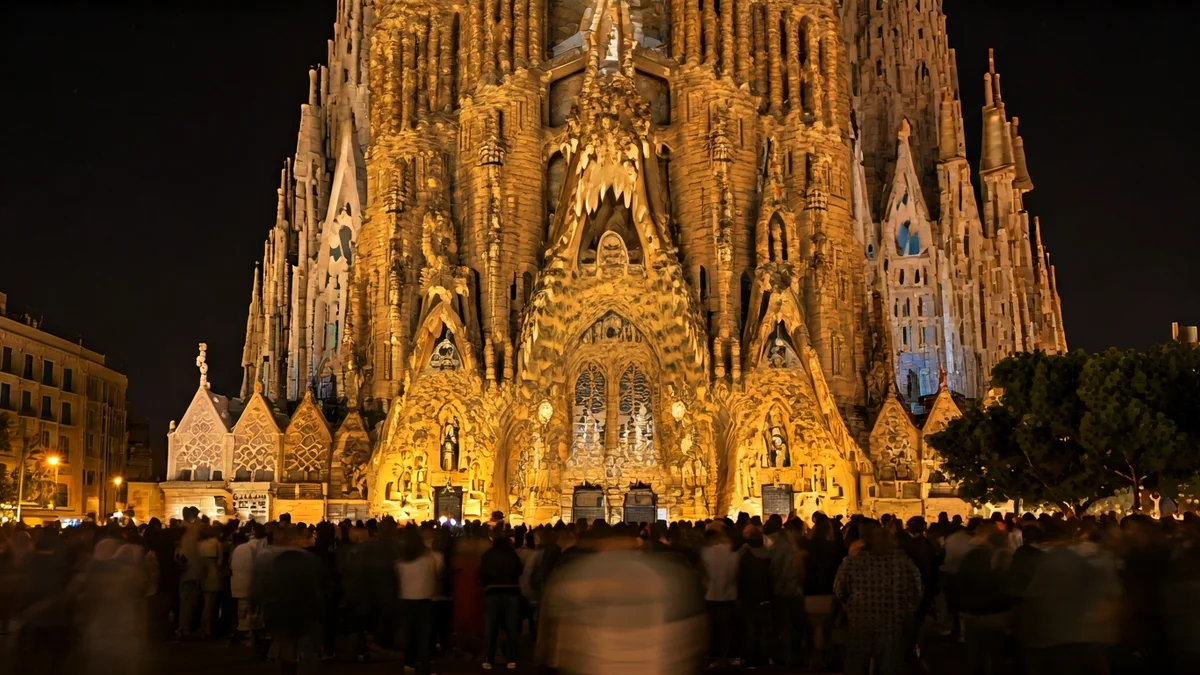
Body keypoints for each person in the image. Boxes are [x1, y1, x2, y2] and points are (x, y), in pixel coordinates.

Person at [834, 521, 922, 675]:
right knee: (889, 664)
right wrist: (907, 608)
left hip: (860, 620)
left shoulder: (853, 561)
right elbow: (916, 590)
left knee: (856, 662)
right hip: (892, 621)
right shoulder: (903, 562)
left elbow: (839, 588)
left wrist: (848, 604)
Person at [396, 527, 442, 675]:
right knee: (425, 636)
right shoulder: (431, 558)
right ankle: (426, 665)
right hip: (425, 601)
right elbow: (440, 567)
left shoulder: (399, 562)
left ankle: (409, 664)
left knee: (410, 634)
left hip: (406, 601)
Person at [479, 530, 523, 669]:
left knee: (491, 628)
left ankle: (488, 659)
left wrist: (486, 585)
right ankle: (511, 659)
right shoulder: (512, 555)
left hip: (492, 592)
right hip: (511, 592)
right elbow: (519, 570)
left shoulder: (488, 555)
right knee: (511, 628)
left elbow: (481, 573)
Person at [700, 524, 739, 667]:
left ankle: (715, 656)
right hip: (730, 595)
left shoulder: (706, 552)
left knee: (714, 628)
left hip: (711, 594)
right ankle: (732, 655)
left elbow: (704, 574)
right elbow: (735, 575)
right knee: (730, 627)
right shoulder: (734, 554)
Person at [737, 527, 773, 668]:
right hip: (764, 595)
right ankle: (763, 657)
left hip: (749, 597)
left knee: (750, 629)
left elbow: (740, 577)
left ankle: (750, 658)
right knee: (763, 629)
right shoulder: (768, 556)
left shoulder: (745, 557)